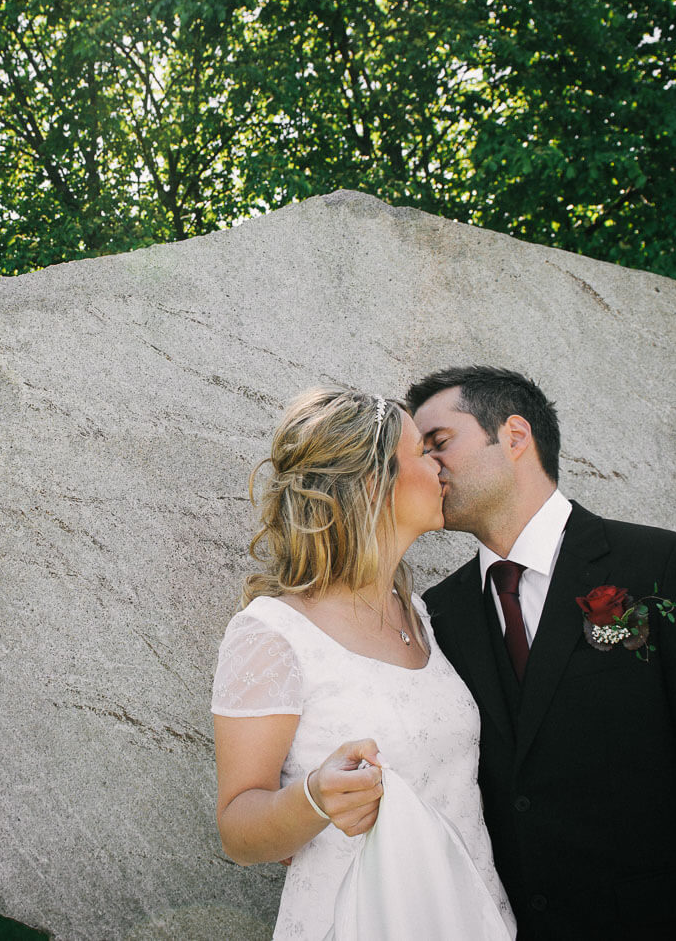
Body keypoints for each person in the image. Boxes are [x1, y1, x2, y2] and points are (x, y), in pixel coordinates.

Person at [405, 365, 676, 940]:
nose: (427, 467)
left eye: (439, 443)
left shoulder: (664, 568)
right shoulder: (439, 613)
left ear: (515, 436)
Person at [211, 386, 515, 940]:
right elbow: (237, 826)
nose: (443, 464)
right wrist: (312, 800)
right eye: (425, 451)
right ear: (374, 483)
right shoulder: (272, 634)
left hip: (468, 917)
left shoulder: (421, 615)